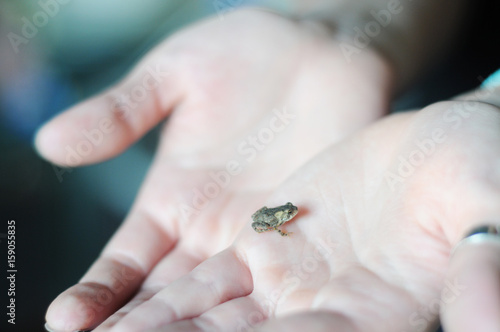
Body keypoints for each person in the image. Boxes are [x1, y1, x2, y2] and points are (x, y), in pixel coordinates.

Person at [36, 2, 500, 331]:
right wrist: (346, 27)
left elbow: (282, 217)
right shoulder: (278, 218)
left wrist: (491, 104)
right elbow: (272, 220)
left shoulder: (288, 217)